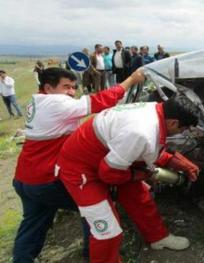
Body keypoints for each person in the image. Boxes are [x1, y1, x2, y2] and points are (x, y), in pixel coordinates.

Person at [12, 67, 145, 262]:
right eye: (66, 87)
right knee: (93, 207)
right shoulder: (56, 103)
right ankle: (93, 255)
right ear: (48, 88)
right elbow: (100, 101)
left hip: (25, 178)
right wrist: (131, 80)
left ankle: (22, 259)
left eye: (74, 87)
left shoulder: (36, 101)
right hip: (47, 178)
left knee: (32, 224)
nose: (71, 92)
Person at [56, 94, 200, 262]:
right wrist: (139, 175)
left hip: (107, 157)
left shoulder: (156, 109)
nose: (183, 132)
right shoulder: (141, 132)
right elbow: (109, 174)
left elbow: (147, 149)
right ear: (173, 122)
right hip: (79, 169)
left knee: (140, 197)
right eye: (183, 129)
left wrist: (180, 163)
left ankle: (158, 238)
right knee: (107, 231)